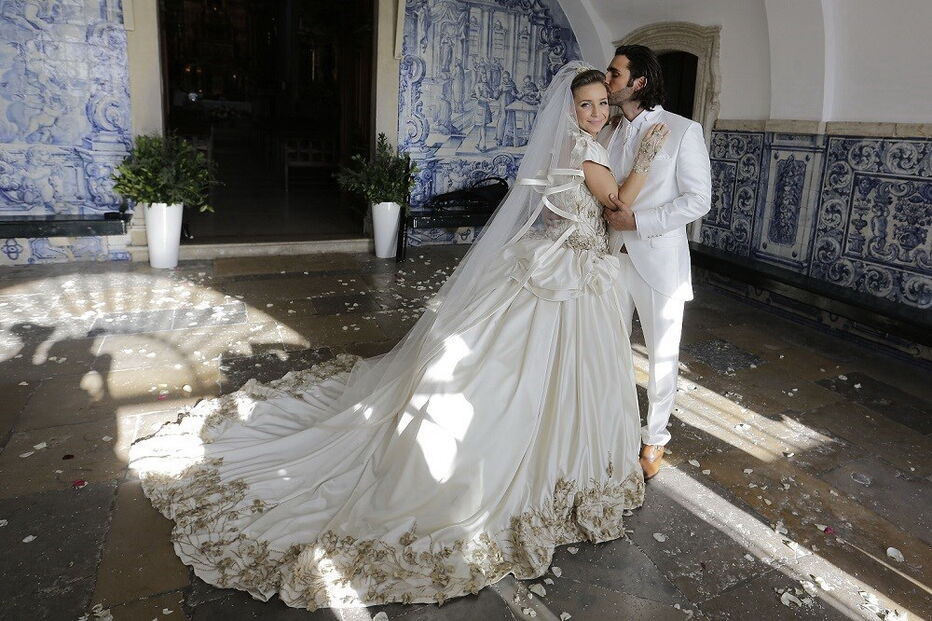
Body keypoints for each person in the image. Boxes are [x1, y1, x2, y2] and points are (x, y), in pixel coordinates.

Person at [129, 62, 670, 612]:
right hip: (565, 275)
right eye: (586, 104)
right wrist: (646, 160)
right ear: (571, 110)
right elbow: (617, 205)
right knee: (525, 374)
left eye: (601, 103)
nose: (595, 112)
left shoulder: (574, 147)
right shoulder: (587, 151)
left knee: (543, 369)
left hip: (567, 271)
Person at [599, 45, 712, 479]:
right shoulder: (608, 131)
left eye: (615, 74)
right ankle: (613, 424)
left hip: (659, 258)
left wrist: (639, 221)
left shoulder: (683, 130)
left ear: (639, 82)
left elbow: (698, 199)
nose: (607, 80)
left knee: (662, 354)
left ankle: (655, 438)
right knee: (609, 346)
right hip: (610, 256)